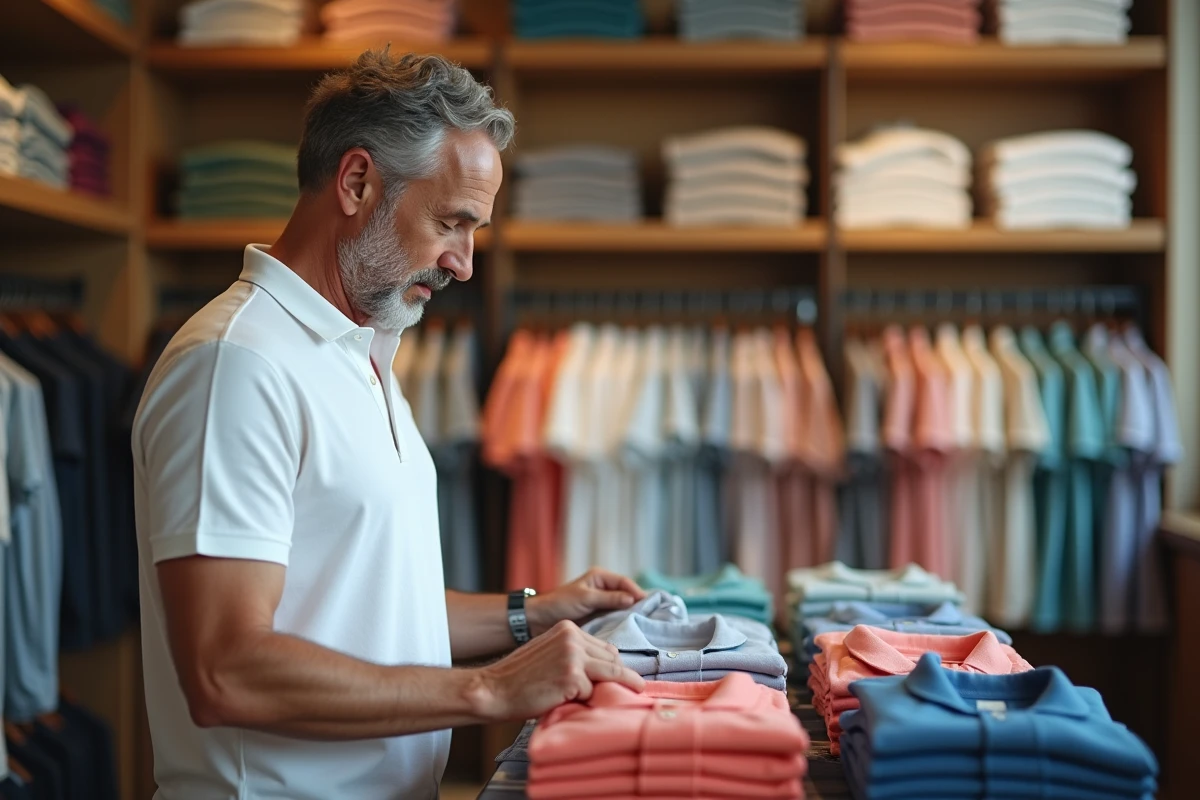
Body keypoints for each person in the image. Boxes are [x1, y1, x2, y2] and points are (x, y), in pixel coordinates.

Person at [132, 49, 647, 800]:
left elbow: (362, 606)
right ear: (357, 182)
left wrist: (531, 614)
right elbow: (225, 669)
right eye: (452, 222)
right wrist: (490, 692)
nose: (464, 263)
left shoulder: (361, 349)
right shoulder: (236, 365)